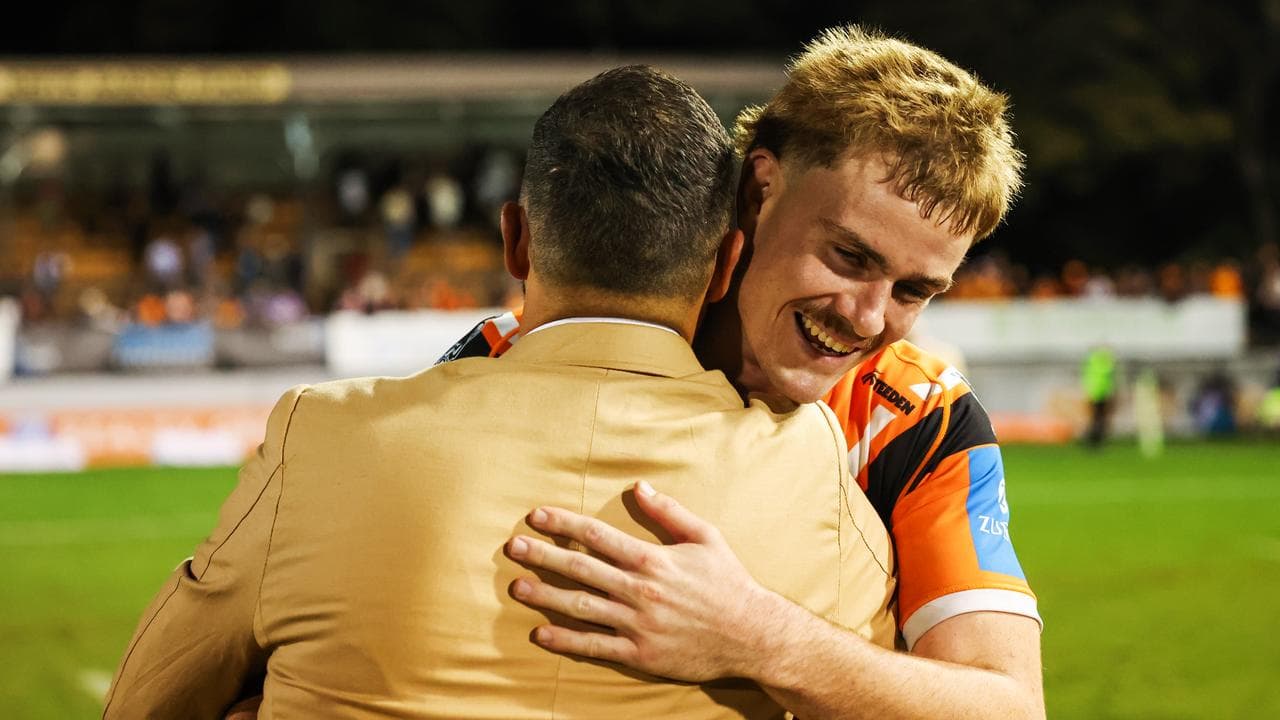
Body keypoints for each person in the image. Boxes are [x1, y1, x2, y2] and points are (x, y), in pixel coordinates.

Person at [104, 65, 896, 719]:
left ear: (516, 239)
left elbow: (145, 703)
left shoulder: (324, 434)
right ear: (726, 264)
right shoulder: (812, 468)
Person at [445, 26, 1044, 719]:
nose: (870, 318)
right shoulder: (522, 355)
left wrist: (757, 636)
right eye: (849, 256)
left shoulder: (915, 418)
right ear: (761, 189)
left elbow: (1008, 706)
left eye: (914, 291)